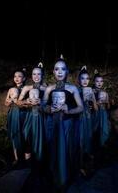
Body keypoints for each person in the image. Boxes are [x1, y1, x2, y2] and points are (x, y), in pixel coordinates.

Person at [43, 55, 83, 189]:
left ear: (67, 72)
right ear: (53, 72)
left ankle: (66, 178)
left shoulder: (73, 89)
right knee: (53, 150)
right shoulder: (49, 89)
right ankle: (55, 177)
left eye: (63, 69)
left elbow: (81, 107)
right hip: (53, 124)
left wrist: (69, 110)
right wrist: (48, 108)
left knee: (67, 150)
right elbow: (42, 106)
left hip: (67, 125)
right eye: (56, 69)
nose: (59, 72)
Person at [18, 62, 47, 167]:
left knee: (42, 140)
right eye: (34, 74)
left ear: (42, 75)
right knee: (27, 139)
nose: (36, 76)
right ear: (31, 75)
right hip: (29, 117)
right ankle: (28, 167)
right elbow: (18, 102)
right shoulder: (26, 88)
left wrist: (42, 103)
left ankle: (40, 166)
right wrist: (26, 101)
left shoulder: (46, 89)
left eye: (39, 74)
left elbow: (51, 106)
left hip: (42, 118)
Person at [77, 65, 98, 176]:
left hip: (88, 117)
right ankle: (80, 166)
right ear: (79, 79)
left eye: (87, 78)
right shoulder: (75, 89)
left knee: (88, 139)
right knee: (80, 140)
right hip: (78, 118)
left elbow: (95, 108)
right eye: (82, 78)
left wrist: (92, 101)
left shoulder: (90, 89)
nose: (85, 81)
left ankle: (87, 164)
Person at [5, 69, 27, 164]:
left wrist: (18, 102)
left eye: (19, 76)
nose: (17, 78)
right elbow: (6, 103)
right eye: (15, 76)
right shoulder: (11, 89)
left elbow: (28, 104)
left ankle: (27, 160)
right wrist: (9, 101)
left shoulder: (27, 89)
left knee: (25, 135)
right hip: (13, 113)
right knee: (15, 134)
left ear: (24, 78)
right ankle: (17, 159)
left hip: (23, 114)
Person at [92, 70, 110, 148]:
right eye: (97, 81)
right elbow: (88, 105)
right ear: (94, 82)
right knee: (95, 129)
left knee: (104, 129)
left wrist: (107, 102)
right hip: (94, 113)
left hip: (103, 113)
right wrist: (96, 103)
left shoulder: (105, 92)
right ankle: (94, 145)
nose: (99, 83)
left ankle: (102, 143)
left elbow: (108, 107)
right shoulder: (91, 91)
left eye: (101, 81)